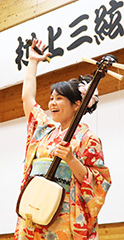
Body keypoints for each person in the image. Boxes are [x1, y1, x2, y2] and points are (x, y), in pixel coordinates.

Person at [15, 39, 112, 239]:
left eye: (59, 98)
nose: (52, 103)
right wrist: (33, 62)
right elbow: (28, 99)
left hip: (63, 211)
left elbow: (99, 181)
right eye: (51, 98)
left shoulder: (88, 139)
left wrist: (71, 160)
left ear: (77, 105)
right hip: (35, 205)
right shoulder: (45, 131)